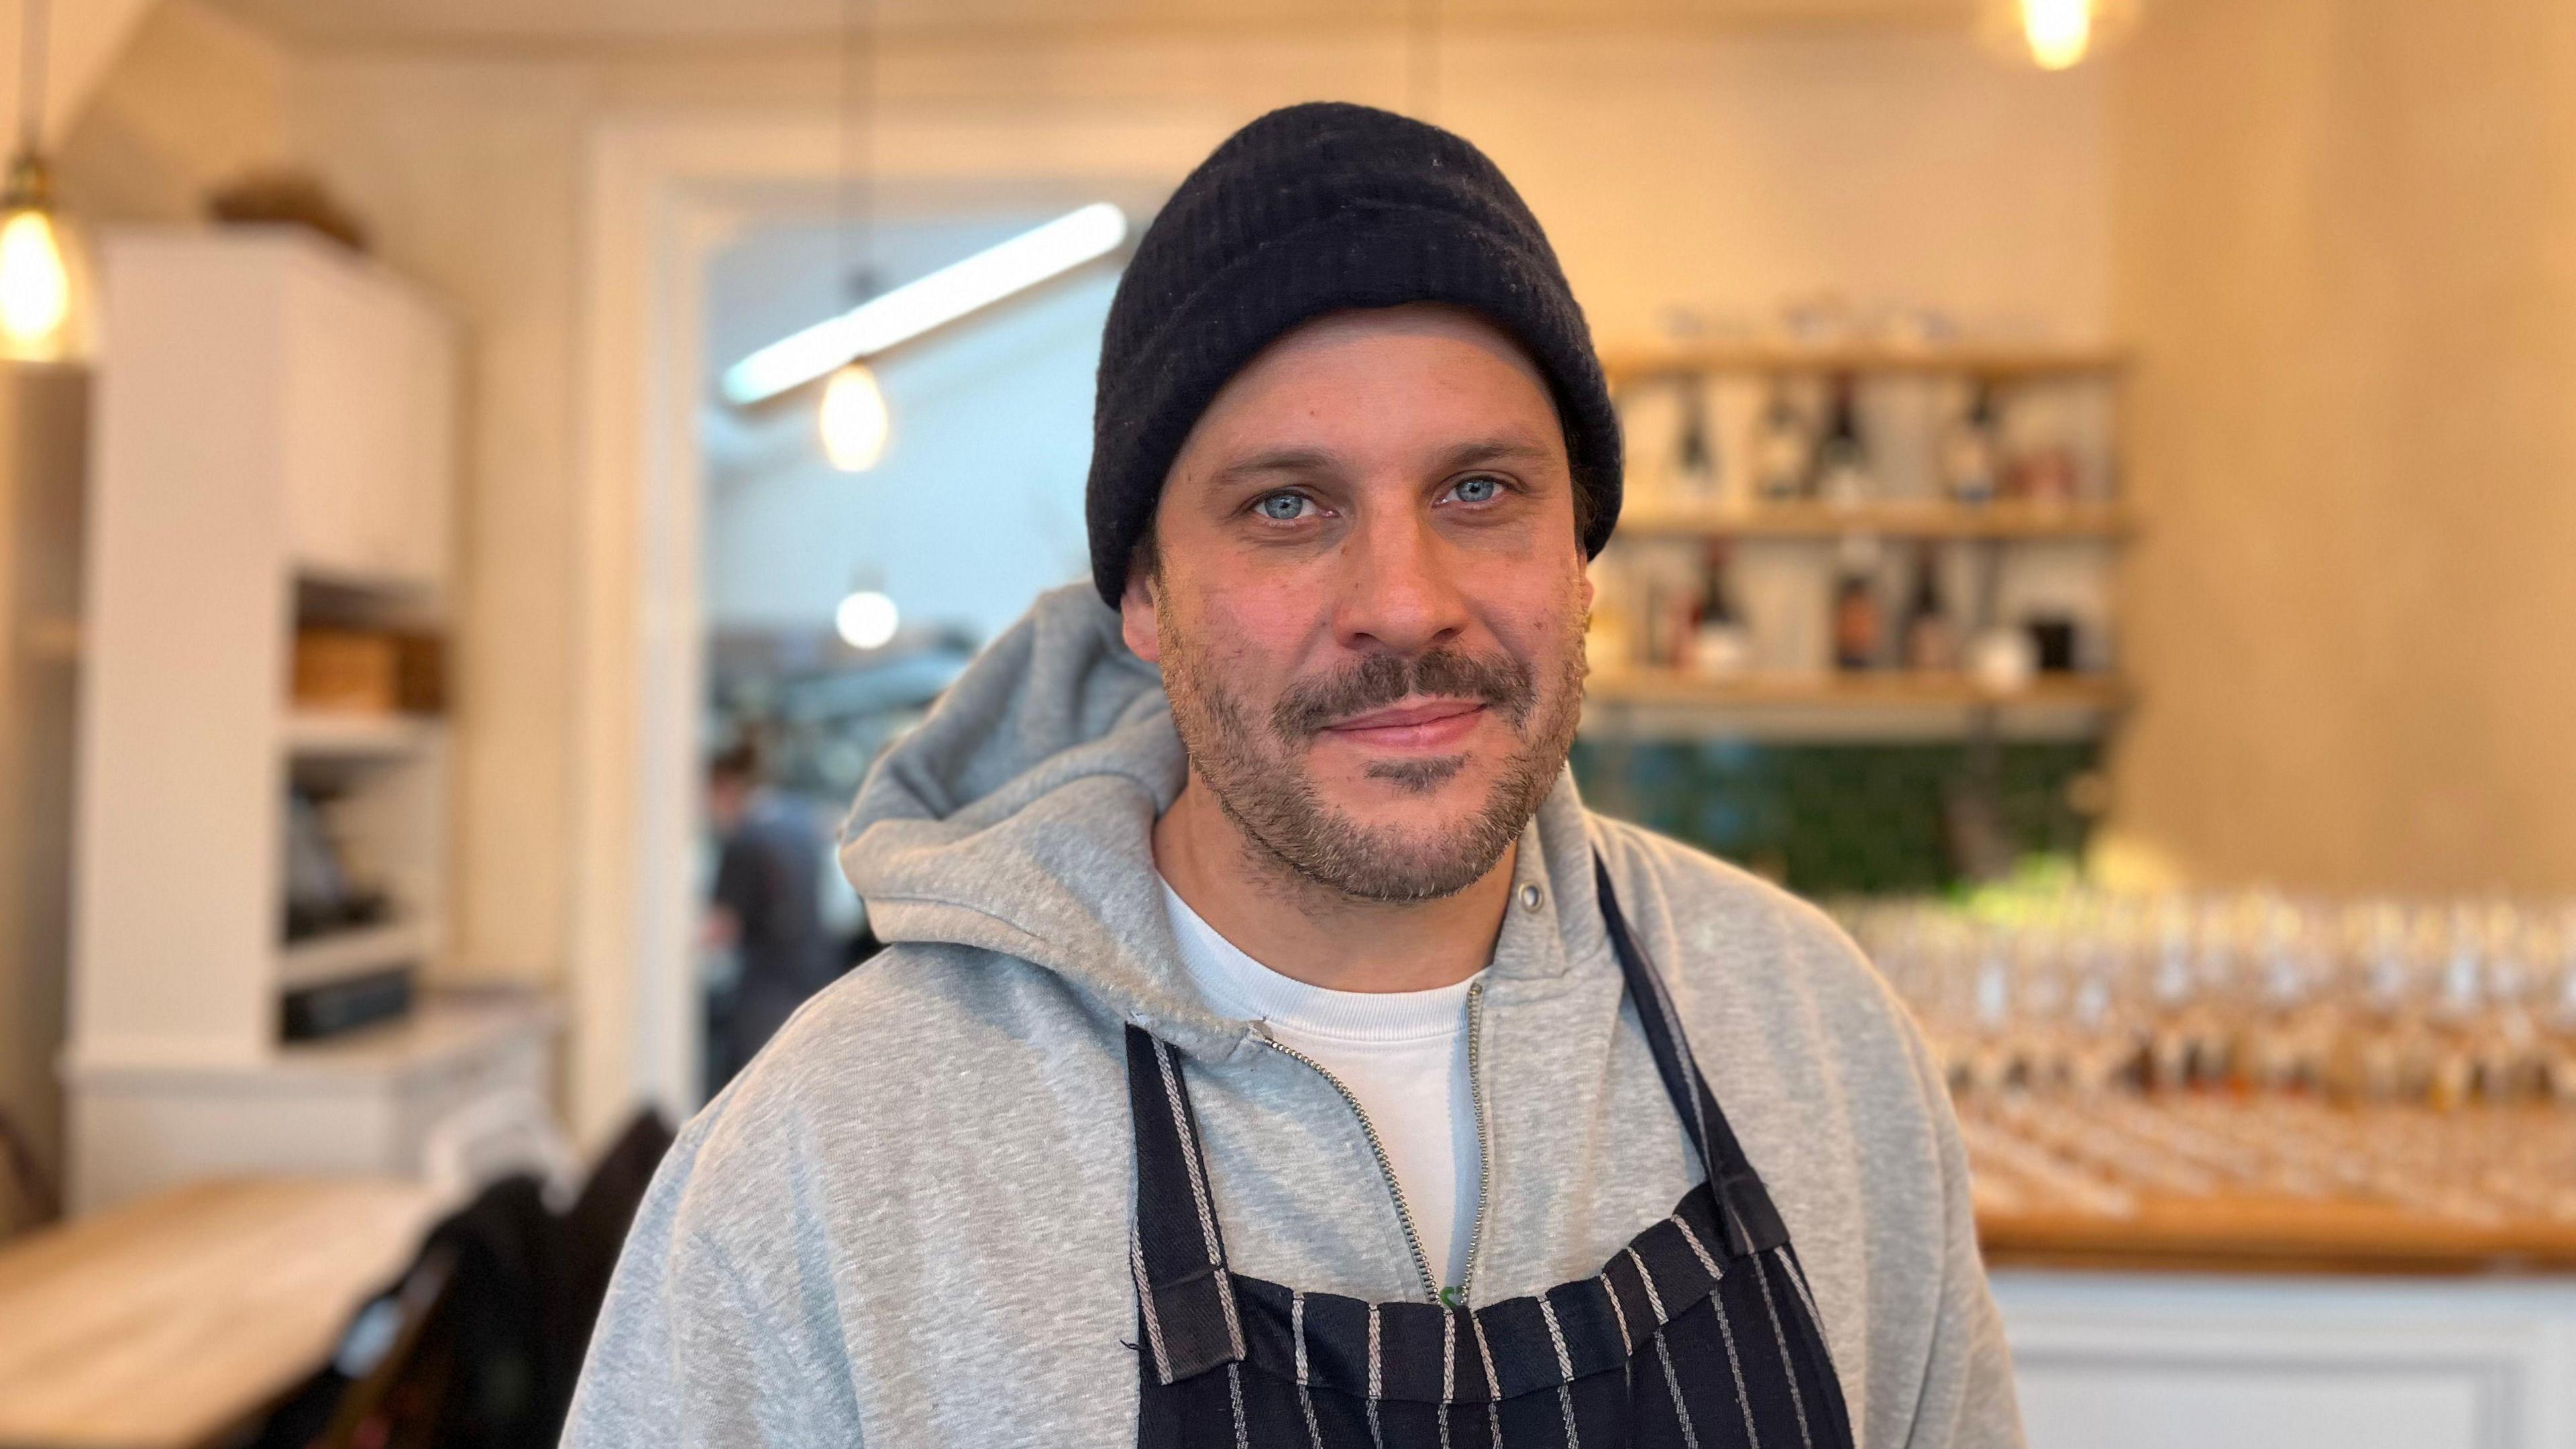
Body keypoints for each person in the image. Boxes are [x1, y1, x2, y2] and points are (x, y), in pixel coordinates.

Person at [569, 102, 2021, 1448]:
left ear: (1579, 554)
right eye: (1287, 505)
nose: (1404, 600)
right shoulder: (835, 1161)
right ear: (1143, 596)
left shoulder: (1818, 1041)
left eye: (1480, 491)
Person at [701, 740, 838, 1093]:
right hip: (816, 978)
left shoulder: (744, 839)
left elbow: (721, 929)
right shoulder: (800, 819)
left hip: (765, 992)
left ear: (723, 788)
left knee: (754, 1095)